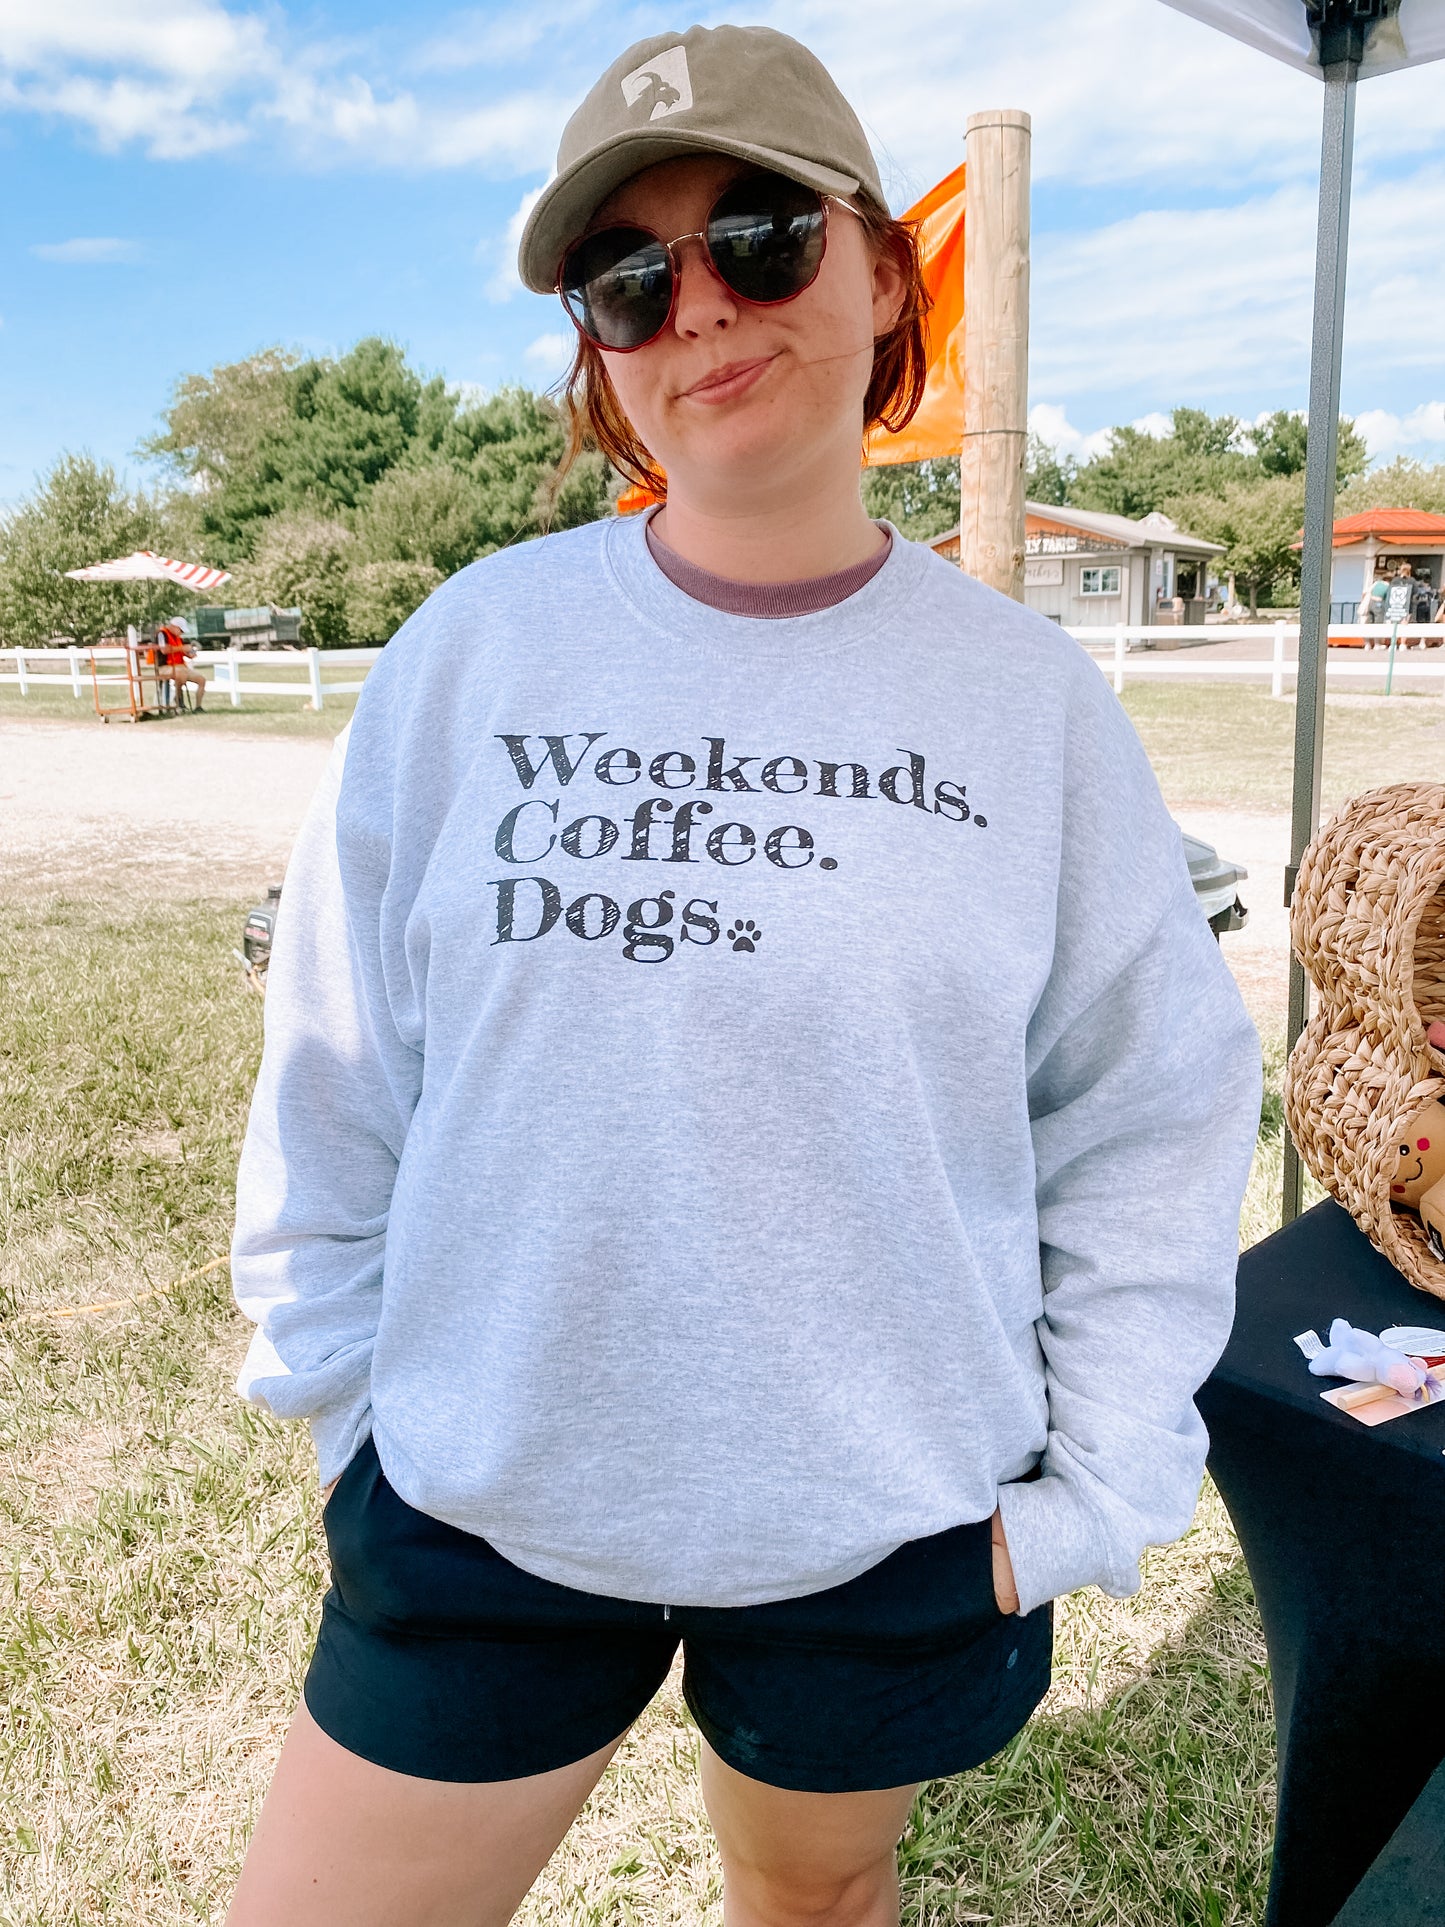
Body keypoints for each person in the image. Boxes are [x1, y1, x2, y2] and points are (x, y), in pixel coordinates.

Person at [225, 24, 1262, 1927]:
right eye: (631, 280)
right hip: (480, 1503)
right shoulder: (476, 650)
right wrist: (351, 1406)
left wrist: (1089, 1495)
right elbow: (342, 1053)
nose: (700, 305)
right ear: (602, 356)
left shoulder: (1030, 709)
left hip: (888, 1539)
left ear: (884, 272)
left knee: (813, 1900)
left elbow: (1148, 1108)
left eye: (761, 237)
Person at [156, 620, 206, 711]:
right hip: (164, 666)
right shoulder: (161, 634)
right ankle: (179, 702)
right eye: (181, 630)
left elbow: (182, 651)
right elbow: (164, 650)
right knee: (180, 674)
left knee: (201, 680)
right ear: (174, 626)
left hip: (180, 666)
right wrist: (182, 648)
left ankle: (198, 707)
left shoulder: (178, 638)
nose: (181, 633)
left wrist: (190, 653)